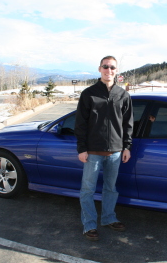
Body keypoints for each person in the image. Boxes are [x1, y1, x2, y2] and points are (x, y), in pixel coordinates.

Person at [74, 56, 133, 241]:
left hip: (115, 152)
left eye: (112, 67)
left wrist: (126, 147)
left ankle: (109, 218)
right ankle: (89, 225)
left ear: (116, 70)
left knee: (111, 188)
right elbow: (80, 123)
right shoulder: (89, 93)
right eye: (105, 67)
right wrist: (82, 148)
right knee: (87, 190)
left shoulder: (123, 95)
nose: (109, 70)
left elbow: (127, 124)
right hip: (92, 151)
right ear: (100, 69)